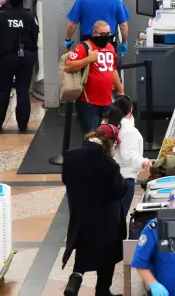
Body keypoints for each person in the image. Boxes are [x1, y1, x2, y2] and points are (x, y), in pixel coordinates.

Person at [62, 123, 128, 296]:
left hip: (81, 215)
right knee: (109, 254)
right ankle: (102, 291)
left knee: (84, 250)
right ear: (110, 142)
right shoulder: (108, 164)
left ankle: (74, 281)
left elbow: (66, 180)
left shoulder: (71, 156)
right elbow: (119, 190)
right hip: (106, 219)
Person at [0, 0, 38, 133]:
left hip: (6, 57)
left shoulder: (0, 16)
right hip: (26, 56)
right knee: (23, 90)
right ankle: (22, 125)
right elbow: (35, 36)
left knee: (3, 90)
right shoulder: (29, 16)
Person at [65, 20, 124, 135]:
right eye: (102, 34)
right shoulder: (84, 47)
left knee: (109, 134)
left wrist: (121, 91)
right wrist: (88, 59)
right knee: (91, 135)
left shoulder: (110, 48)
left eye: (108, 34)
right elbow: (68, 66)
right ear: (94, 33)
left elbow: (112, 70)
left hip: (107, 100)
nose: (105, 37)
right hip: (89, 102)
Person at [104, 95, 151, 216]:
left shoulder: (107, 124)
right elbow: (128, 153)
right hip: (124, 178)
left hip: (107, 176)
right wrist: (143, 162)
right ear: (131, 110)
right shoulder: (128, 130)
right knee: (118, 217)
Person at [66, 0, 130, 48]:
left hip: (88, 43)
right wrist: (124, 42)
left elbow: (73, 23)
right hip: (108, 42)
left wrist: (68, 39)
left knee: (88, 60)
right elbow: (123, 25)